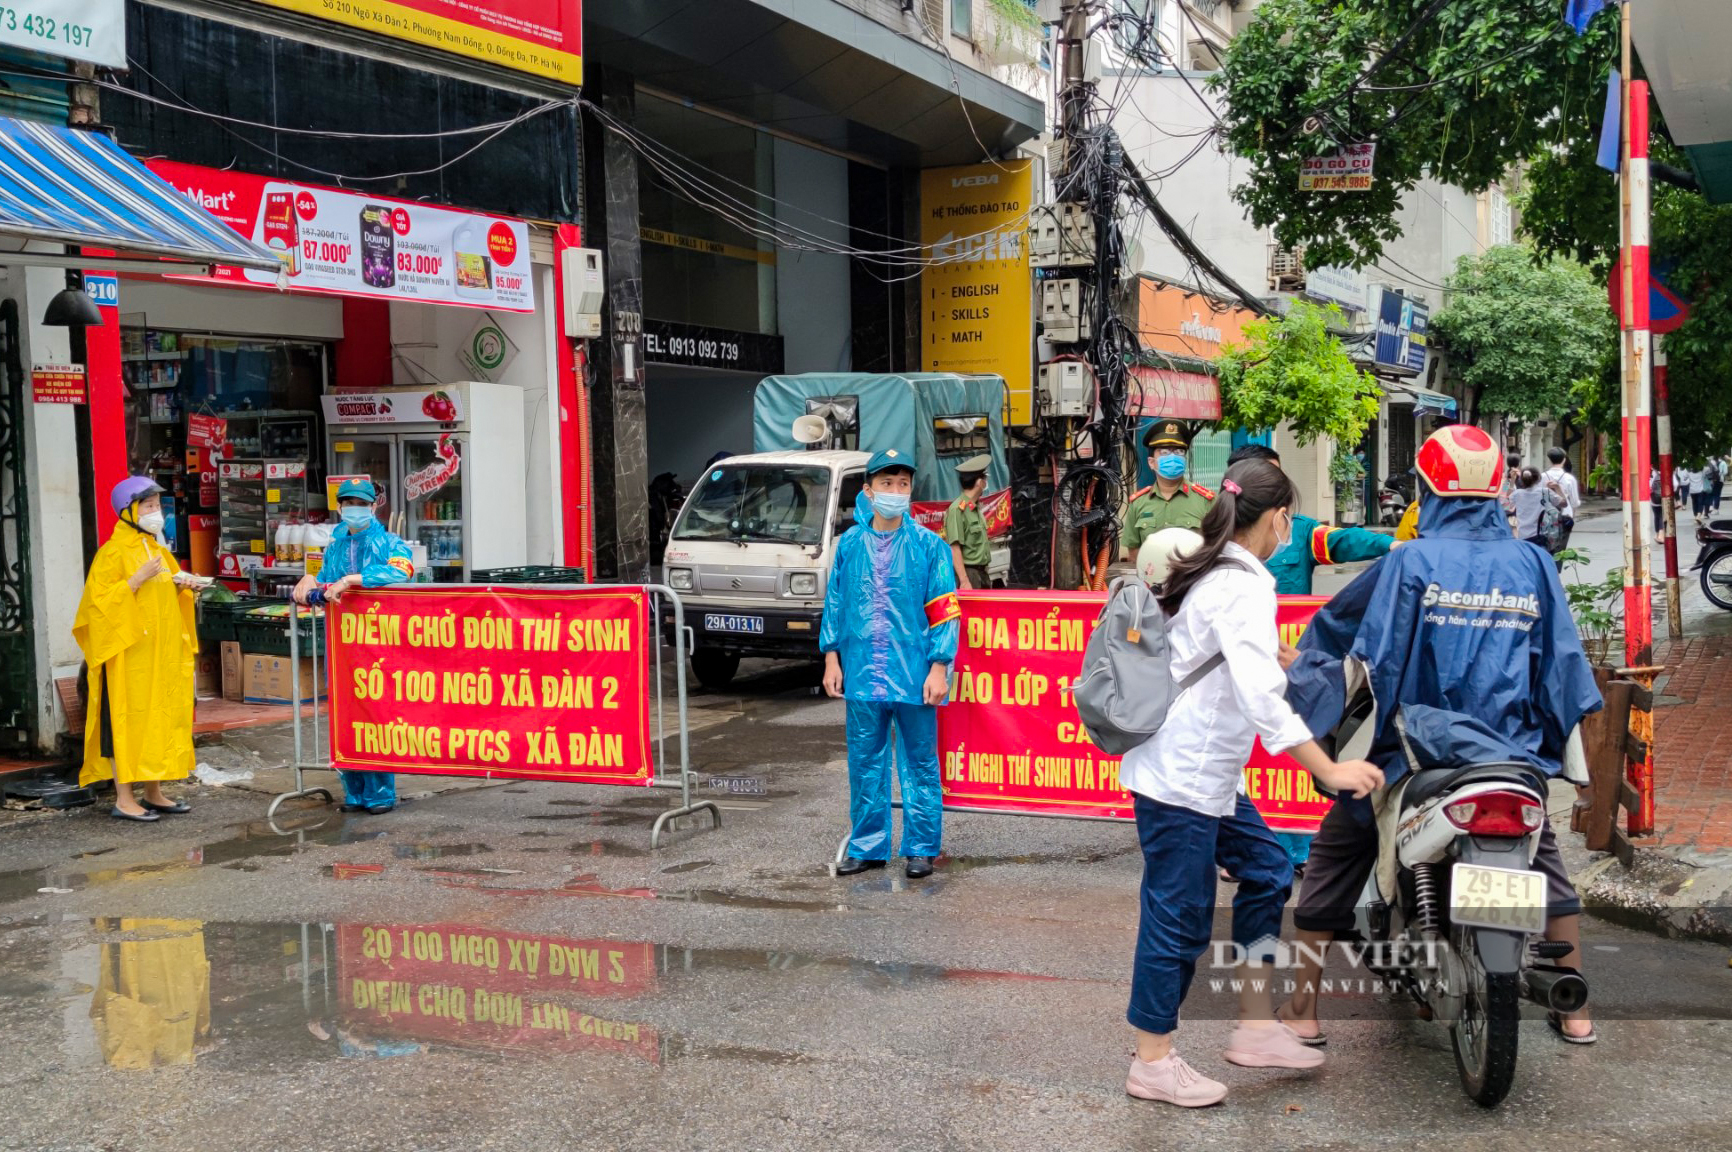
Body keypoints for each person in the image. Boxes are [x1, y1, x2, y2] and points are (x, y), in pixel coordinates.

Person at [1279, 424, 1603, 1045]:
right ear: (1495, 491)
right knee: (1546, 858)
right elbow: (1564, 666)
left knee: (1337, 849)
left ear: (1426, 489)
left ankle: (1302, 1007)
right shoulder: (1534, 561)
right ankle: (1575, 1008)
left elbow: (1362, 647)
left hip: (1416, 753)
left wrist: (1312, 670)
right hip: (1509, 755)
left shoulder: (1409, 560)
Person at [1119, 458, 1384, 1109]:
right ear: (1277, 519)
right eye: (1287, 518)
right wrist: (1327, 768)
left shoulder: (1221, 571)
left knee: (1267, 869)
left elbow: (1237, 661)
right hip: (1180, 780)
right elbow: (1260, 697)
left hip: (1207, 778)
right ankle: (1152, 1060)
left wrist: (1280, 658)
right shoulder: (1240, 585)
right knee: (1176, 918)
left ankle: (1257, 1025)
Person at [1221, 444, 1397, 875]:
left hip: (1291, 661)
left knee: (1287, 763)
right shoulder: (1219, 555)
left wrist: (1400, 546)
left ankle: (1289, 849)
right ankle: (1241, 847)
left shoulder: (1300, 534)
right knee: (1251, 760)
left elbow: (1344, 541)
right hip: (1244, 673)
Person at [822, 448, 960, 880]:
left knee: (920, 761)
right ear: (868, 491)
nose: (895, 492)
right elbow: (835, 604)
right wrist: (831, 658)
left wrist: (939, 667)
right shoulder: (849, 545)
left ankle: (920, 847)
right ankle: (868, 846)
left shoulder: (929, 547)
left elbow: (944, 611)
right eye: (887, 484)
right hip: (862, 671)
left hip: (914, 672)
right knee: (865, 762)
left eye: (903, 485)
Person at [74, 477, 205, 822]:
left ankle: (153, 791)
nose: (155, 513)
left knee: (157, 720)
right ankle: (123, 798)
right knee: (125, 724)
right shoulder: (111, 553)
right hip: (127, 658)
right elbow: (96, 607)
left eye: (157, 507)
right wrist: (135, 580)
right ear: (128, 511)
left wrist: (186, 587)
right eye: (147, 507)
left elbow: (166, 597)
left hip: (159, 656)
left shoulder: (159, 550)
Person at [292, 477, 415, 814]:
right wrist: (309, 580)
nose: (354, 509)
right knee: (345, 714)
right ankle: (354, 792)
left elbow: (401, 571)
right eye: (348, 503)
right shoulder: (333, 547)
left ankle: (379, 794)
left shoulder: (390, 542)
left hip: (379, 642)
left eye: (361, 503)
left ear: (374, 506)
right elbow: (322, 577)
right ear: (340, 506)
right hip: (343, 643)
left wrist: (351, 581)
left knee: (375, 712)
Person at [1225, 445, 1396, 597]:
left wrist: (1391, 544)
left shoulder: (1300, 530)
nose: (1279, 483)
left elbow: (1343, 540)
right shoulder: (1212, 535)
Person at [1120, 420, 1215, 555]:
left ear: (1185, 460)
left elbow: (1218, 544)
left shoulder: (1206, 501)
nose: (1173, 457)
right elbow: (1134, 550)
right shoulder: (1138, 503)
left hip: (1194, 575)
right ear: (1151, 462)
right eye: (1164, 452)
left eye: (1179, 451)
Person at [944, 454, 993, 591]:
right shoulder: (957, 510)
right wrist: (964, 581)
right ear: (979, 482)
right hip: (969, 574)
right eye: (985, 478)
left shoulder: (974, 507)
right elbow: (954, 548)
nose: (986, 482)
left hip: (982, 573)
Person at [1509, 467, 1567, 549]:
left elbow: (1506, 499)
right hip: (1541, 536)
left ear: (1522, 479)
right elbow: (1564, 504)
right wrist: (1558, 488)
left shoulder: (1517, 494)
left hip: (1521, 536)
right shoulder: (1545, 492)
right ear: (1539, 478)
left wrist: (1512, 481)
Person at [1543, 447, 1581, 549]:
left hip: (1545, 516)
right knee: (1561, 549)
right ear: (1564, 460)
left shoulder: (1542, 477)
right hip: (1565, 515)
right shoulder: (1569, 479)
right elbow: (1574, 503)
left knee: (1546, 547)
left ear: (1549, 460)